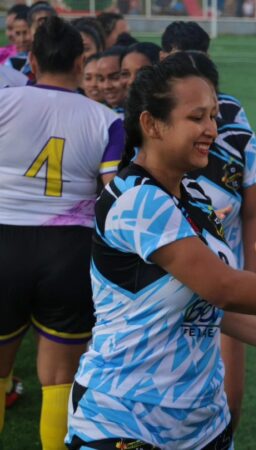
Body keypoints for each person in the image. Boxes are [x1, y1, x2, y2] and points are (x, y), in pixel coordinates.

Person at [66, 51, 256, 449]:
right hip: (125, 418)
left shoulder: (194, 194)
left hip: (201, 423)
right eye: (196, 117)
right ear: (151, 124)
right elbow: (222, 286)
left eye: (214, 116)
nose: (212, 129)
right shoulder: (137, 201)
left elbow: (199, 295)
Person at [0, 16, 125, 447]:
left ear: (31, 61)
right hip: (69, 250)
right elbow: (113, 192)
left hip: (4, 243)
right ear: (80, 60)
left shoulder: (3, 103)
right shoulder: (107, 120)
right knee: (59, 379)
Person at [159, 21, 256, 429]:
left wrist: (255, 283)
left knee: (226, 399)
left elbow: (255, 212)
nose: (207, 123)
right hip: (162, 292)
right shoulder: (144, 134)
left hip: (224, 289)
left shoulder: (237, 130)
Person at [95, 46, 127, 114]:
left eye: (115, 78)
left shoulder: (143, 114)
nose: (106, 86)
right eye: (101, 79)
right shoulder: (97, 113)